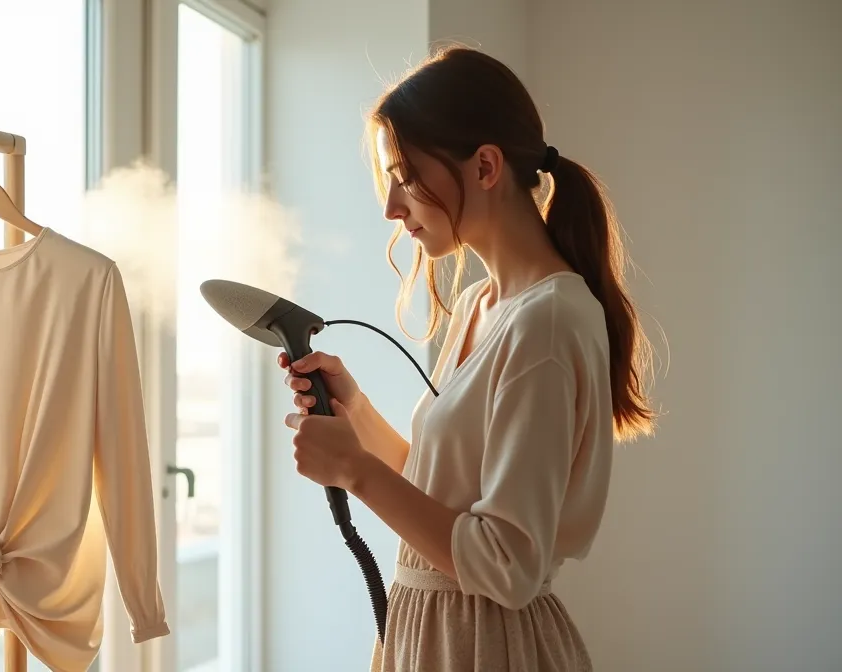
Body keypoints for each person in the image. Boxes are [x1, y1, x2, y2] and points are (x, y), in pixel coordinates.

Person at [278, 45, 656, 672]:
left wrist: (355, 474)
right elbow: (447, 505)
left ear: (485, 166)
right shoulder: (486, 302)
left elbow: (506, 562)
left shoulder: (547, 322)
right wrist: (358, 417)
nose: (392, 209)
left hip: (485, 648)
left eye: (405, 178)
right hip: (439, 636)